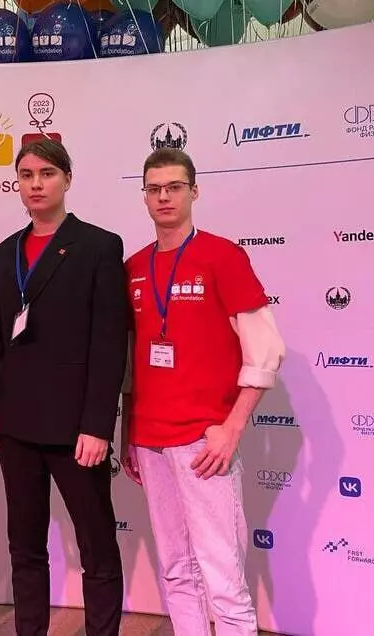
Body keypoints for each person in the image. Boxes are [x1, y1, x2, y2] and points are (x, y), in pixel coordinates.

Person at [119, 147, 286, 636]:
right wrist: (128, 434)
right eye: (154, 189)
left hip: (203, 442)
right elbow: (130, 364)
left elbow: (265, 350)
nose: (164, 197)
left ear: (194, 191)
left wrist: (231, 428)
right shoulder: (133, 266)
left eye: (174, 187)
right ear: (144, 197)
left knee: (223, 577)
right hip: (150, 440)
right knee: (175, 570)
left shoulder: (223, 255)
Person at [0, 138, 129, 636]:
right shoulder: (5, 252)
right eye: (26, 175)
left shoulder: (99, 246)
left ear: (67, 179)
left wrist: (98, 425)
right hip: (16, 423)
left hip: (76, 429)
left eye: (47, 174)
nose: (36, 184)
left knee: (96, 545)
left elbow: (109, 345)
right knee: (24, 547)